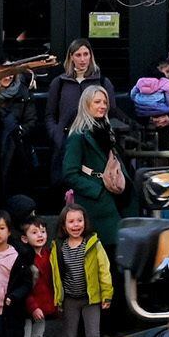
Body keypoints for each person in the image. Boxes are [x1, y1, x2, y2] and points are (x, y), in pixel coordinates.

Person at [56, 79, 132, 263]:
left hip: (114, 195)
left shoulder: (107, 131)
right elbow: (69, 173)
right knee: (104, 255)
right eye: (97, 102)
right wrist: (97, 191)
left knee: (116, 254)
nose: (103, 106)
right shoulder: (78, 136)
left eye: (105, 102)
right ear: (86, 104)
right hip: (95, 204)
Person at [52, 201, 113, 337]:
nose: (76, 225)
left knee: (93, 336)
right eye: (71, 221)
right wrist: (58, 299)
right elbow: (56, 276)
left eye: (80, 220)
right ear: (64, 226)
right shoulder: (59, 247)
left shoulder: (93, 244)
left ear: (85, 222)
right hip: (70, 299)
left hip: (90, 299)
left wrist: (107, 295)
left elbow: (104, 270)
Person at [16, 212, 57, 337]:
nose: (40, 235)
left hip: (43, 306)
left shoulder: (49, 254)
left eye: (42, 231)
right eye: (34, 232)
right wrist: (33, 306)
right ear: (24, 238)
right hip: (27, 308)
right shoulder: (25, 258)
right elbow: (23, 286)